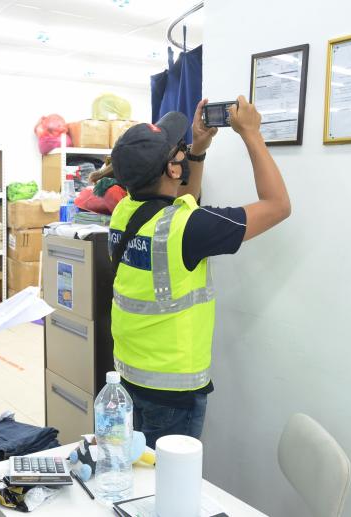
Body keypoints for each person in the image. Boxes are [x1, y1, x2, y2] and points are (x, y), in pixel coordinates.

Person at [105, 97, 290, 448]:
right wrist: (251, 133)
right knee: (167, 486)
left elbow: (178, 202)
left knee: (137, 477)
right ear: (173, 170)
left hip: (129, 376)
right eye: (179, 150)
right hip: (173, 391)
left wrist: (198, 149)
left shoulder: (124, 212)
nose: (183, 152)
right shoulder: (187, 229)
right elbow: (277, 205)